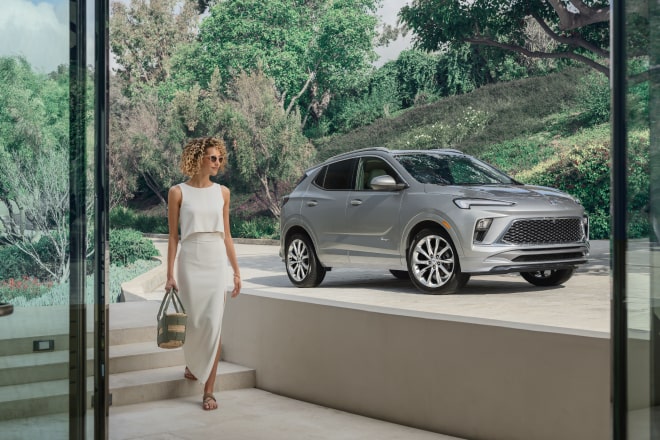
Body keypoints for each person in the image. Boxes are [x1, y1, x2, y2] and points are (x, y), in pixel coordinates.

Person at [164, 136, 241, 411]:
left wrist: (236, 271)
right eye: (213, 157)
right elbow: (173, 237)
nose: (218, 162)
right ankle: (193, 363)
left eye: (220, 158)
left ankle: (209, 391)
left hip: (215, 260)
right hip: (190, 260)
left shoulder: (223, 193)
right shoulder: (177, 192)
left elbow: (228, 235)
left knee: (213, 322)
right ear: (198, 158)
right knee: (194, 321)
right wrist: (169, 273)